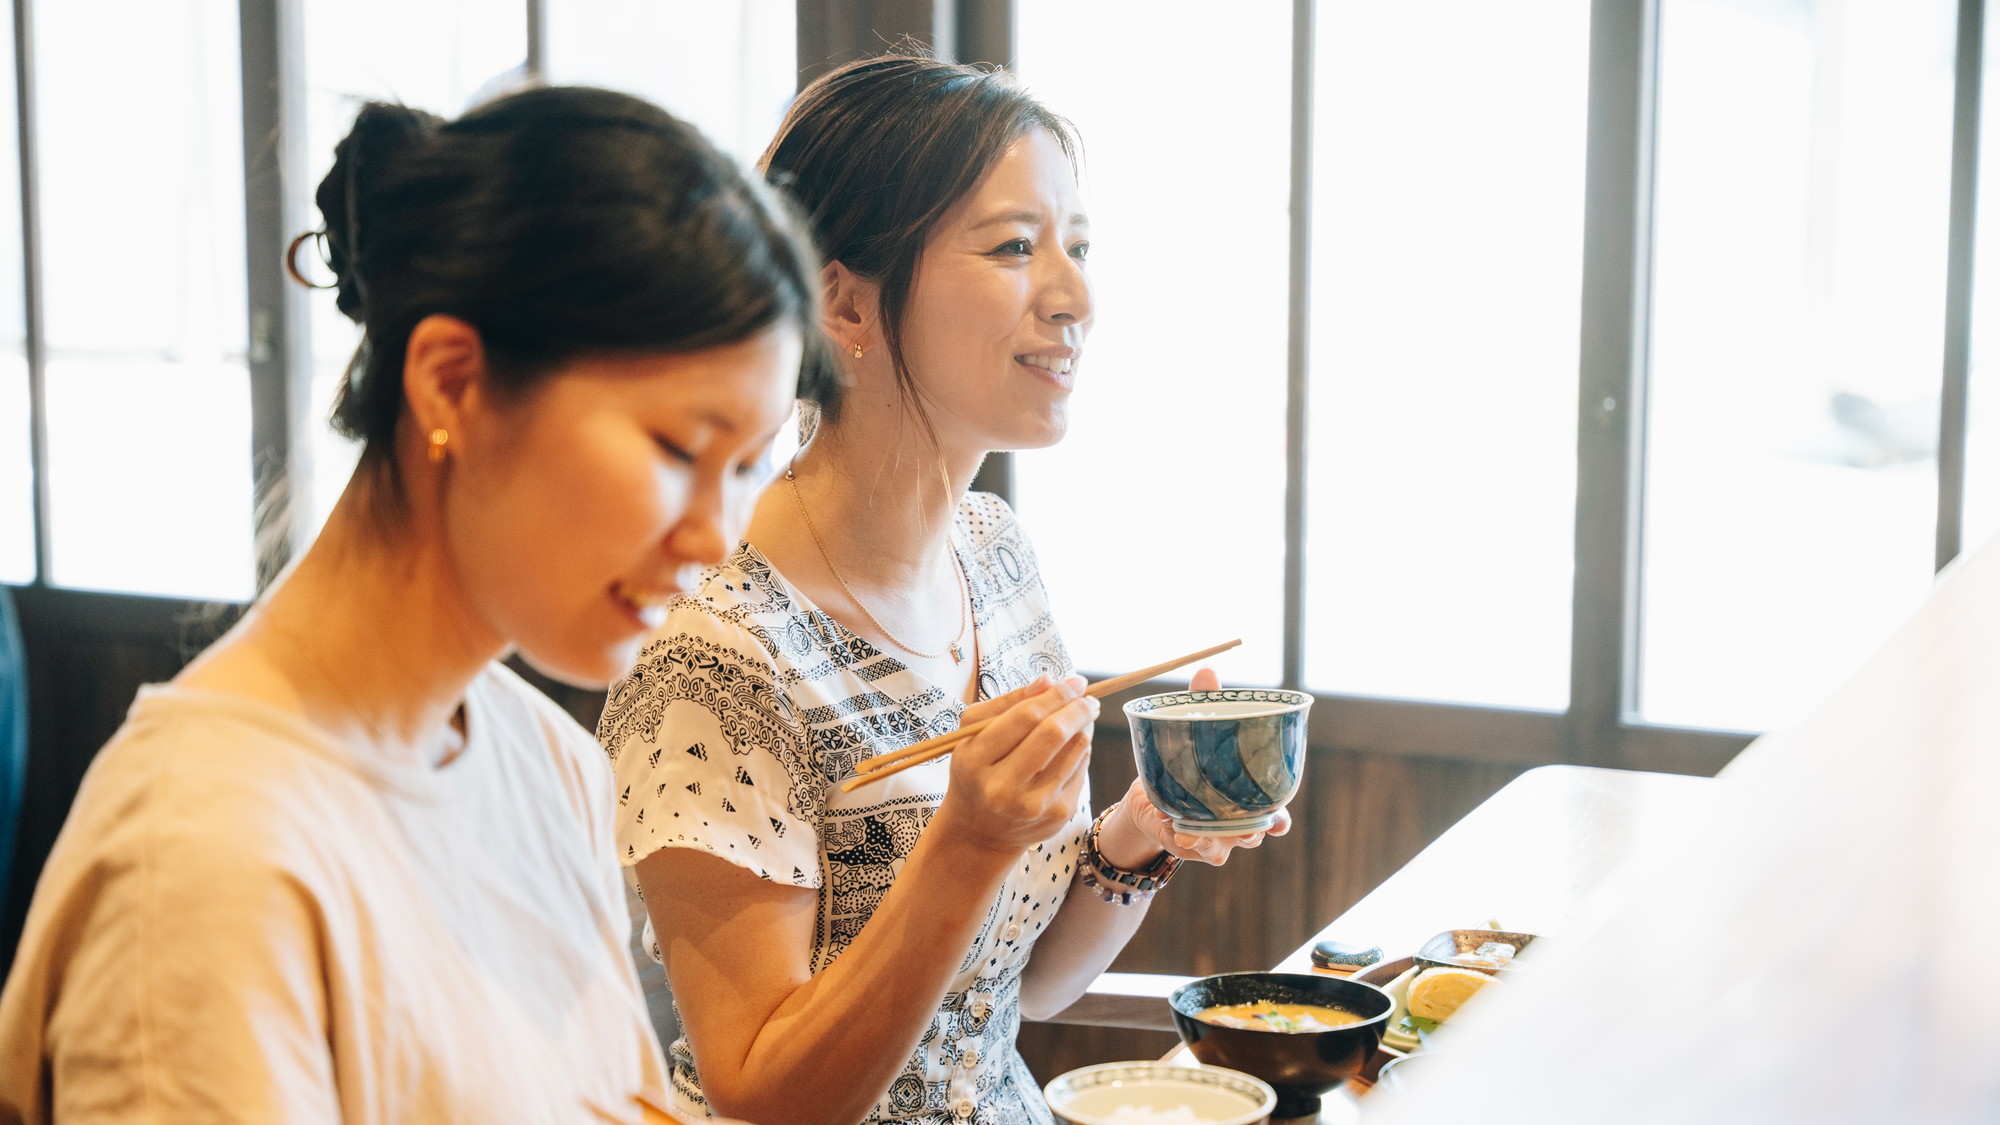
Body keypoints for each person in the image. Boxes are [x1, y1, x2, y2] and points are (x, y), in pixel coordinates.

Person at [0, 86, 819, 1124]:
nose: (714, 540)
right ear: (452, 383)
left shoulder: (545, 762)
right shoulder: (209, 856)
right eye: (676, 449)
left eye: (748, 467)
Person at [597, 55, 1288, 1125]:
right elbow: (765, 1094)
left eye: (1077, 247)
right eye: (1015, 247)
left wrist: (1138, 831)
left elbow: (1024, 987)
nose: (1076, 298)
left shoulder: (994, 556)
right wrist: (966, 841)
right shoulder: (713, 653)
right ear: (846, 301)